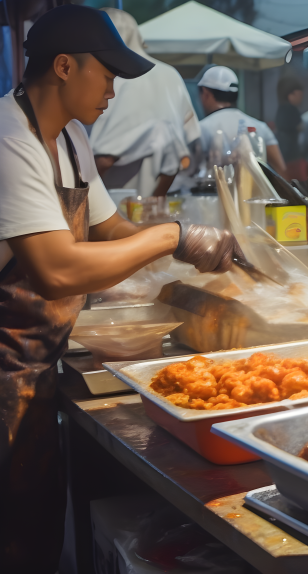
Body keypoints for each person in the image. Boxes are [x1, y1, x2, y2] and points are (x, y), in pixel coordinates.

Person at [0, 7, 244, 571]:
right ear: (64, 66)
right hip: (4, 369)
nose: (113, 89)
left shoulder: (71, 138)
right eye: (106, 73)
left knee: (35, 527)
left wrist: (190, 244)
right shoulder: (11, 138)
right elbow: (56, 270)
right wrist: (169, 237)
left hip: (36, 364)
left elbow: (111, 231)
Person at [89, 8, 199, 197]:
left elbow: (104, 158)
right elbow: (189, 145)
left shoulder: (109, 76)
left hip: (107, 199)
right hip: (158, 199)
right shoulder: (170, 75)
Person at [197, 66, 287, 175]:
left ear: (206, 93)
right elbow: (281, 171)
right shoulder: (261, 127)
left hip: (213, 192)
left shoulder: (200, 129)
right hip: (257, 192)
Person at [275, 75, 305, 179]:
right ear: (290, 95)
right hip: (291, 154)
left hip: (282, 151)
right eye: (299, 95)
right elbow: (301, 127)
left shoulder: (281, 108)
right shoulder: (291, 109)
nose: (301, 98)